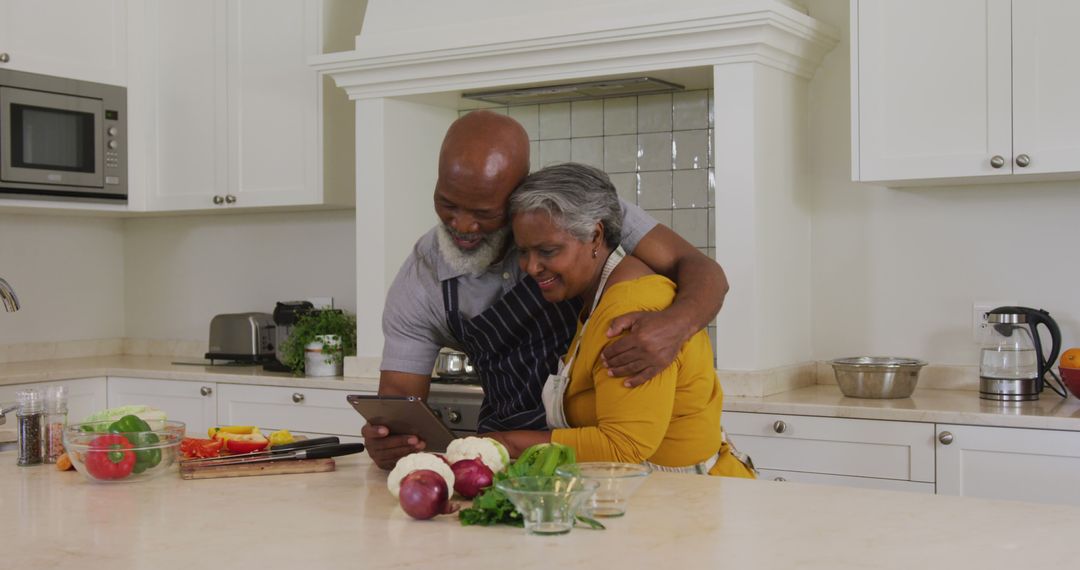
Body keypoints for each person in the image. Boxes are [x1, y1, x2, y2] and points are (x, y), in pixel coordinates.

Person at [364, 111, 730, 470]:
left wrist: (674, 326)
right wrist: (391, 438)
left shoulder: (576, 212)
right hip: (513, 464)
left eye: (484, 212)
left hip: (593, 462)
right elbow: (399, 397)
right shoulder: (421, 277)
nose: (462, 225)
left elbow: (701, 269)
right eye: (447, 203)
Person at [485, 163, 754, 477]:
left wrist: (508, 444)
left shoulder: (628, 310)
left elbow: (623, 446)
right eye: (524, 251)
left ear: (596, 236)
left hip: (689, 498)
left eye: (548, 250)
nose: (531, 267)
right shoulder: (600, 299)